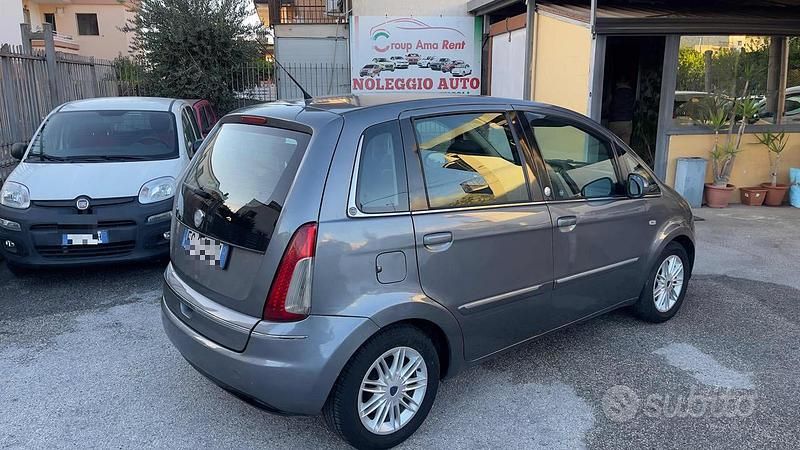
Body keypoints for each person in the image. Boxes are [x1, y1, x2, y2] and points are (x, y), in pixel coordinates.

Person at [607, 76, 635, 145]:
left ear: (618, 83)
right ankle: (624, 155)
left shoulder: (614, 93)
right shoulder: (632, 93)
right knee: (625, 146)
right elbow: (633, 106)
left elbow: (608, 104)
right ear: (628, 83)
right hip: (627, 121)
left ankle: (614, 156)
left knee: (613, 143)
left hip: (614, 121)